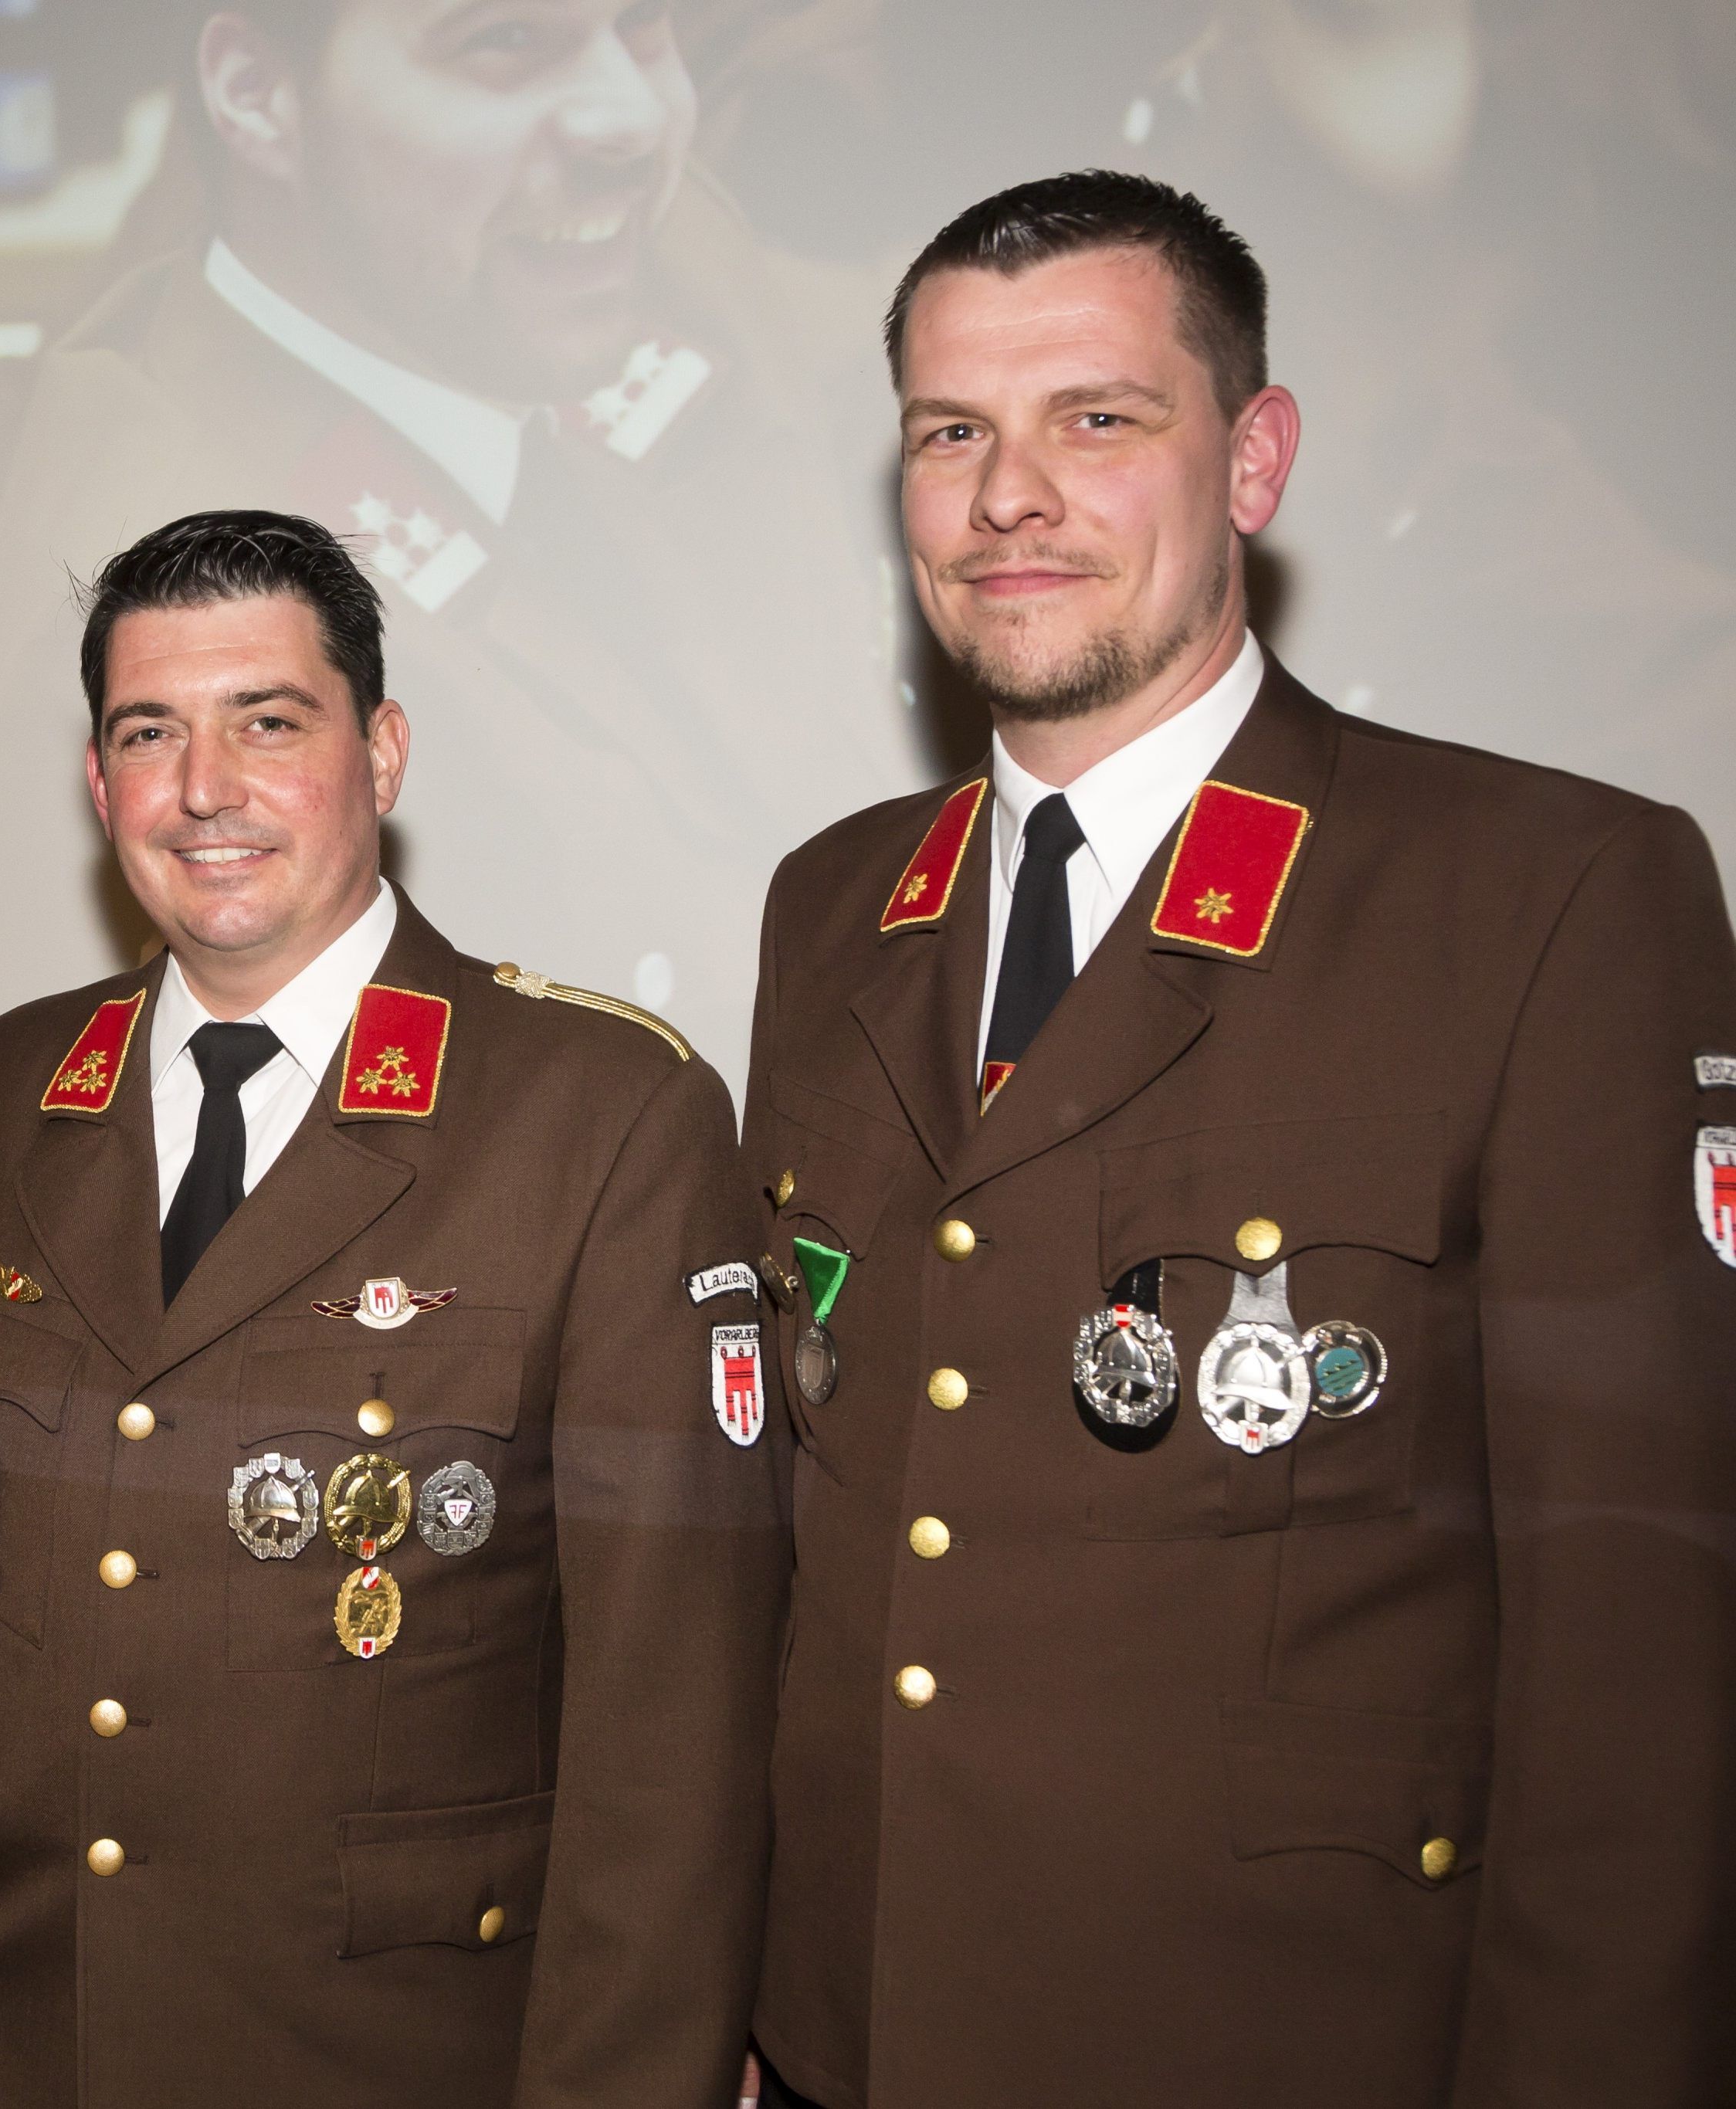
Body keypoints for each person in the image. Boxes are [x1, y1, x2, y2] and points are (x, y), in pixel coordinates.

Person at [741, 171, 1736, 2107]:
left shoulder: (1549, 893)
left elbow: (1642, 1658)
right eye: (954, 434)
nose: (1007, 497)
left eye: (1095, 420)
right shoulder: (837, 903)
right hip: (857, 2035)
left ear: (1254, 458)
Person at [0, 509, 787, 2104]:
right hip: (51, 2039)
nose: (205, 789)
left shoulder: (601, 1110)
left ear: (385, 750)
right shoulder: (3, 1092)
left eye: (268, 724)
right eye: (150, 733)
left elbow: (676, 1725)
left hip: (410, 2050)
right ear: (98, 784)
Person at [0, 0, 907, 1070]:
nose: (628, 120)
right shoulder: (167, 594)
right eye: (504, 42)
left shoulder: (627, 248)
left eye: (640, 23)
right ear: (256, 95)